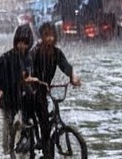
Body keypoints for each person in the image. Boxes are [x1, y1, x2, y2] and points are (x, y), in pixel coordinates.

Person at [28, 23, 82, 159]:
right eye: (47, 35)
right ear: (42, 37)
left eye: (52, 35)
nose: (50, 39)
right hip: (33, 88)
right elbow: (28, 69)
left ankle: (46, 145)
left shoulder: (57, 53)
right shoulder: (35, 52)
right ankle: (44, 147)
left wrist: (73, 78)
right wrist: (32, 79)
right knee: (43, 120)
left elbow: (66, 66)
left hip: (45, 88)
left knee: (47, 115)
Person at [0, 25, 34, 155]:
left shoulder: (29, 59)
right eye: (19, 43)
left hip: (22, 98)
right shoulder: (5, 58)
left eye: (25, 43)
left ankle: (21, 150)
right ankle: (6, 151)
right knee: (7, 124)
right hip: (8, 97)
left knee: (24, 124)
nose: (21, 46)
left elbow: (31, 78)